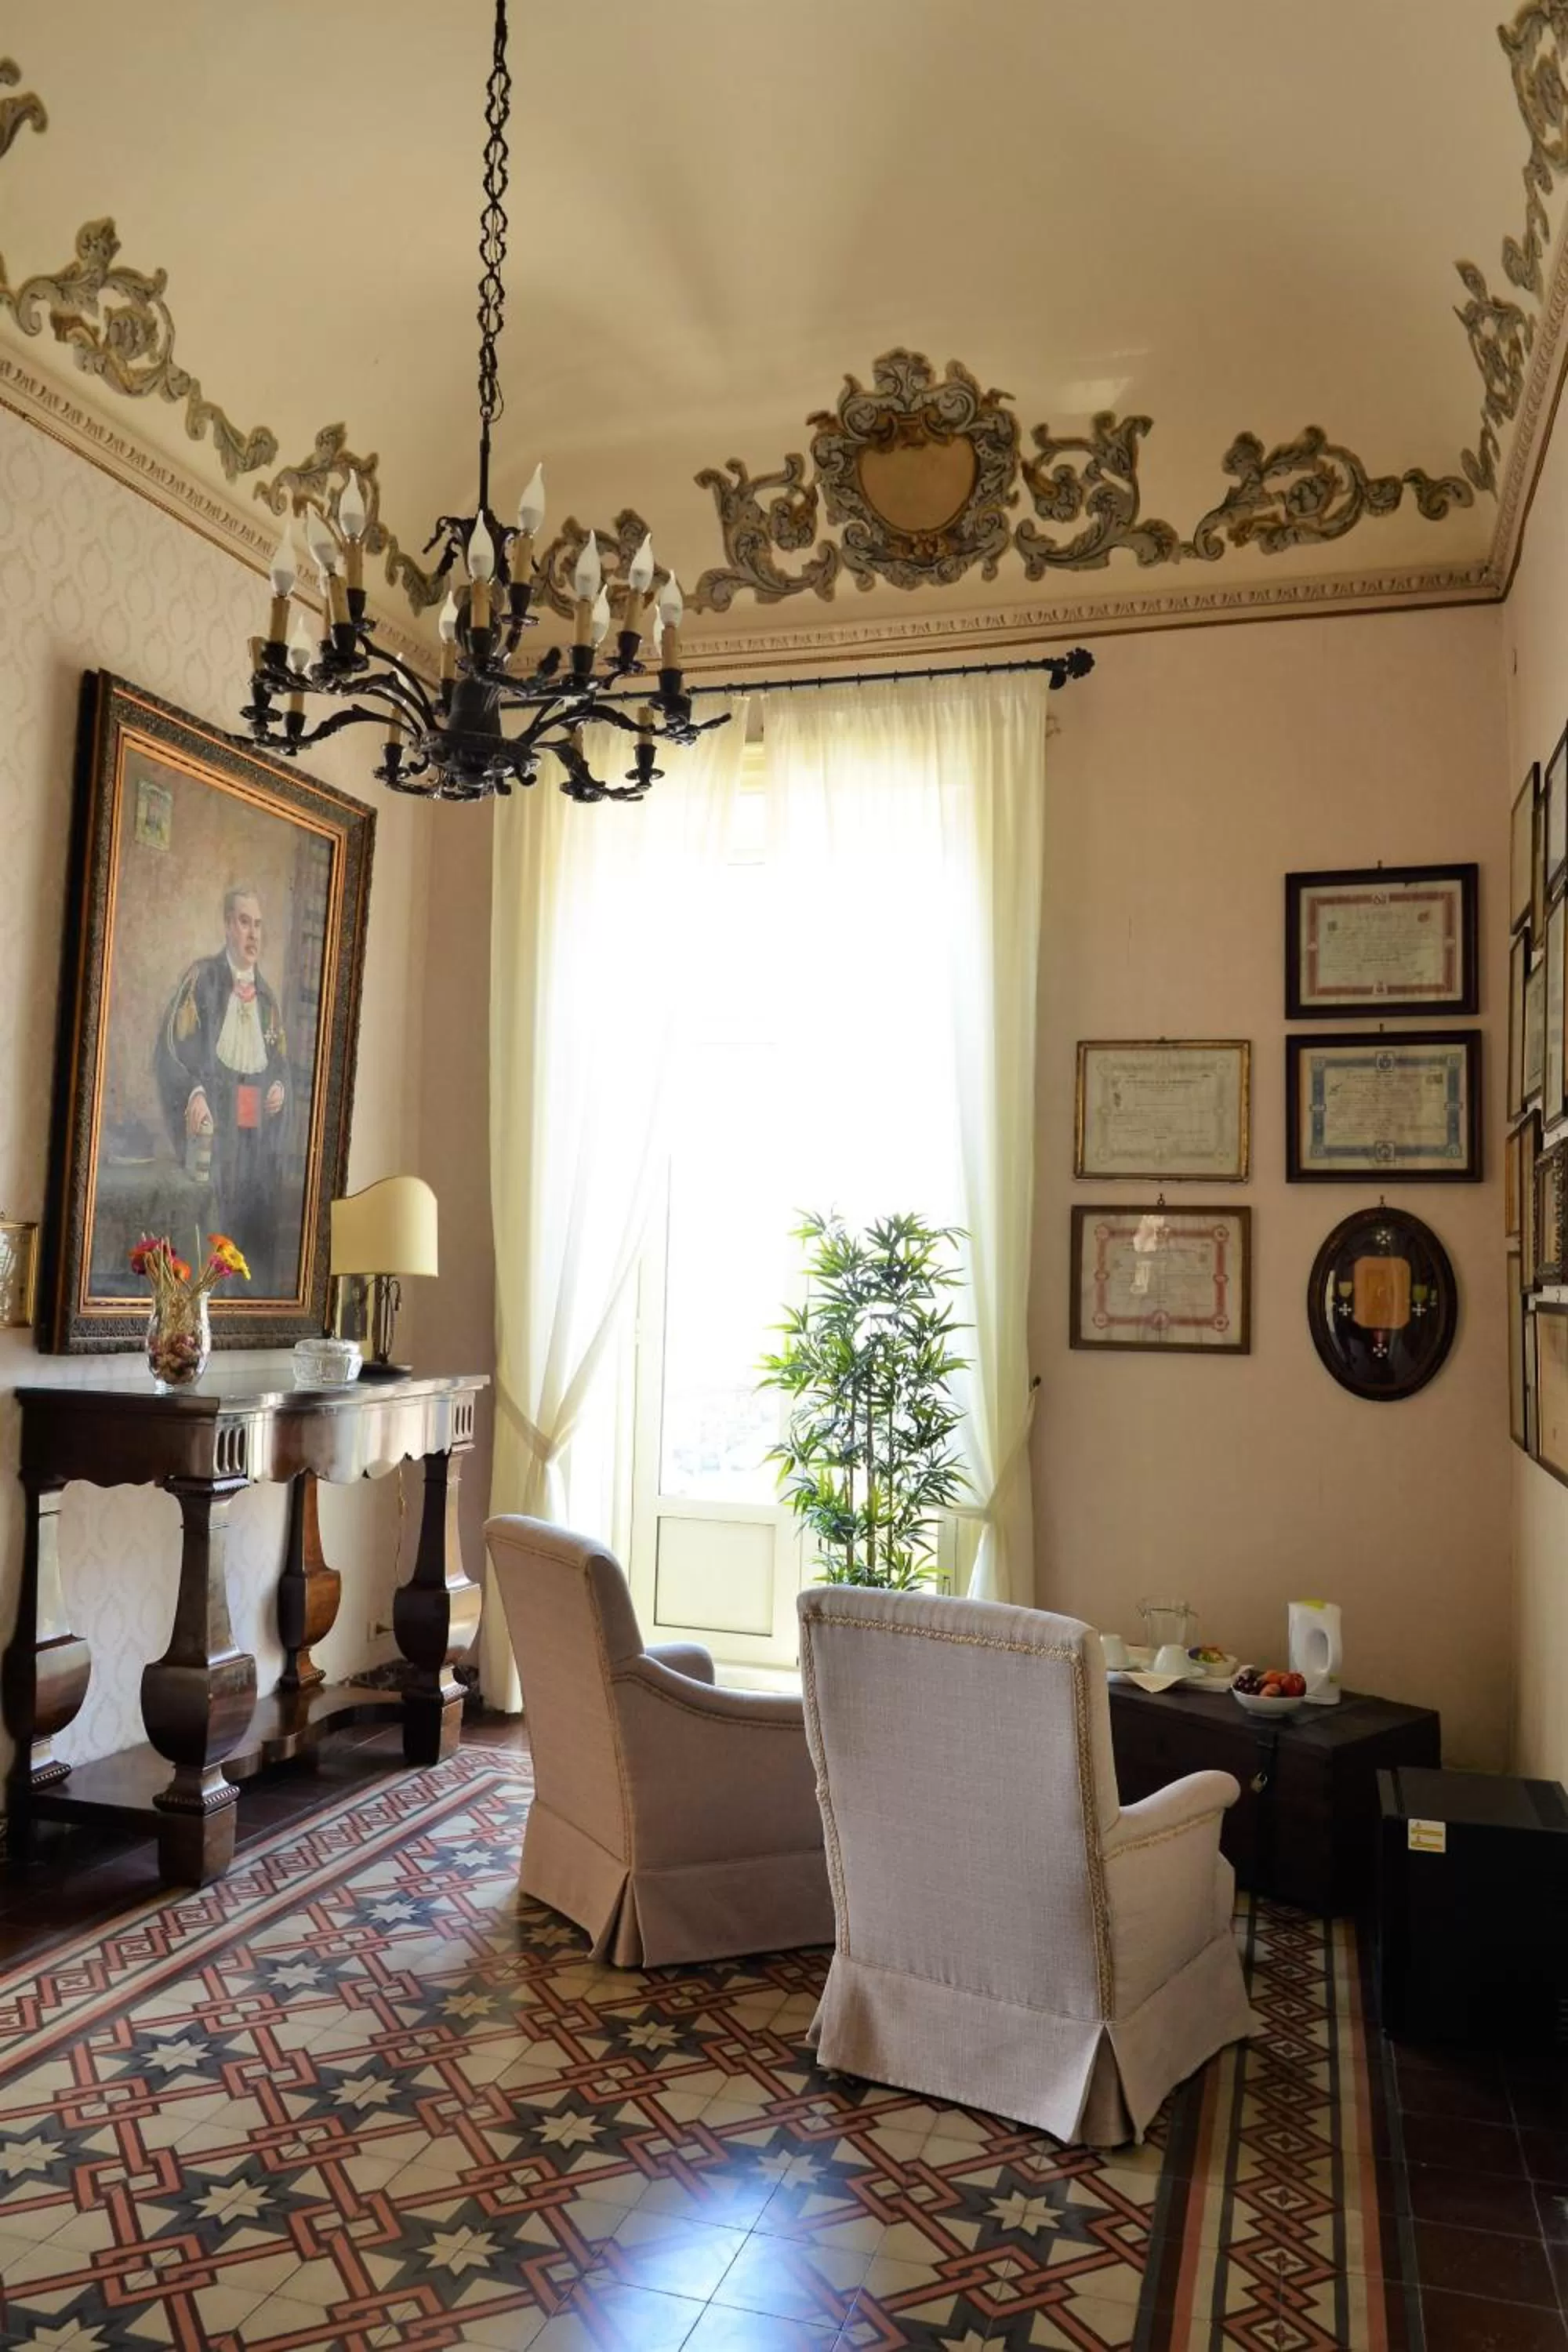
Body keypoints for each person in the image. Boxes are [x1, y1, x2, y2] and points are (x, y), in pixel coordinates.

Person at [154, 884, 289, 1292]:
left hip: (254, 1145)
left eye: (259, 925)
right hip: (216, 1141)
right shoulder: (202, 980)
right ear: (228, 926)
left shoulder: (267, 999)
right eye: (245, 923)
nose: (253, 935)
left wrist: (280, 1087)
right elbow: (172, 1051)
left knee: (251, 1234)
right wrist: (194, 1094)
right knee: (209, 1235)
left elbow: (280, 1063)